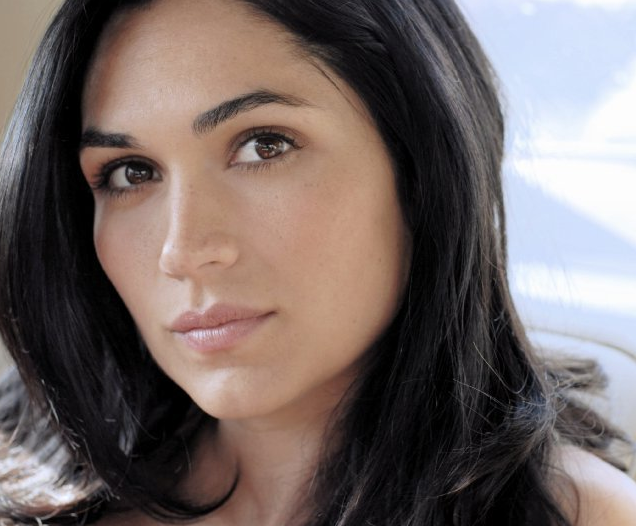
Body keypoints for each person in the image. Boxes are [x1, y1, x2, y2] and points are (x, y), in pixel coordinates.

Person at [0, 0, 635, 524]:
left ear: (423, 166)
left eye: (264, 145)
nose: (183, 251)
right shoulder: (20, 468)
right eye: (131, 172)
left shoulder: (585, 515)